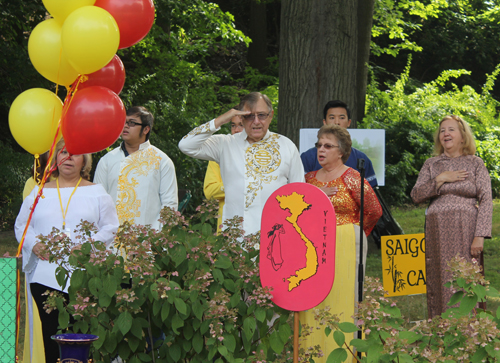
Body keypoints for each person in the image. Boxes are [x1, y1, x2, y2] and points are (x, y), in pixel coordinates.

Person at [15, 139, 119, 363]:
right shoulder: (39, 192)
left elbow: (110, 227)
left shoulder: (97, 193)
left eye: (75, 153)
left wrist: (88, 247)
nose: (68, 157)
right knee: (51, 333)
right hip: (45, 274)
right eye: (62, 152)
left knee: (81, 333)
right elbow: (22, 225)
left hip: (84, 275)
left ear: (84, 161)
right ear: (55, 159)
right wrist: (33, 244)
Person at [298, 125, 382, 363]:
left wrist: (354, 232)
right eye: (319, 145)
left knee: (346, 297)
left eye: (327, 146)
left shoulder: (352, 177)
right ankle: (313, 351)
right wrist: (318, 196)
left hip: (346, 245)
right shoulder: (308, 179)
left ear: (342, 151)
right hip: (314, 247)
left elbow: (373, 211)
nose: (321, 150)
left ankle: (346, 355)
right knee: (315, 298)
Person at [179, 92, 305, 235]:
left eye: (261, 115)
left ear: (271, 115)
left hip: (276, 237)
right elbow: (186, 145)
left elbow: (300, 192)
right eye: (249, 116)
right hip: (235, 240)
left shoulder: (286, 146)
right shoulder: (225, 144)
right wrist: (221, 120)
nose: (256, 121)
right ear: (241, 117)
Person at [411, 115, 492, 318]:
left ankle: (470, 331)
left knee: (466, 277)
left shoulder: (475, 163)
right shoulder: (432, 164)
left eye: (451, 129)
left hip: (467, 229)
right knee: (441, 275)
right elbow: (416, 195)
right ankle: (442, 328)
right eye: (442, 130)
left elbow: (487, 199)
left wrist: (480, 234)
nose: (445, 133)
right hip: (437, 229)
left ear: (463, 136)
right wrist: (439, 179)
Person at [94, 106, 178, 230]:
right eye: (124, 122)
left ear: (146, 129)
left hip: (148, 241)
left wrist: (159, 239)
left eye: (132, 123)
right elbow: (97, 201)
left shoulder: (161, 161)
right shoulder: (107, 160)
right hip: (111, 240)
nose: (125, 126)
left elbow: (169, 205)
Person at [300, 100, 378, 188]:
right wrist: (319, 193)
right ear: (324, 122)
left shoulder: (361, 159)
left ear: (349, 122)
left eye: (341, 118)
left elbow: (371, 195)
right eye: (332, 118)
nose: (337, 122)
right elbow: (299, 190)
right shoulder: (307, 158)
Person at [203, 110, 244, 231]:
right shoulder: (220, 153)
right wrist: (241, 186)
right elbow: (210, 191)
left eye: (241, 125)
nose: (236, 130)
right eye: (233, 125)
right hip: (227, 229)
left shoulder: (262, 156)